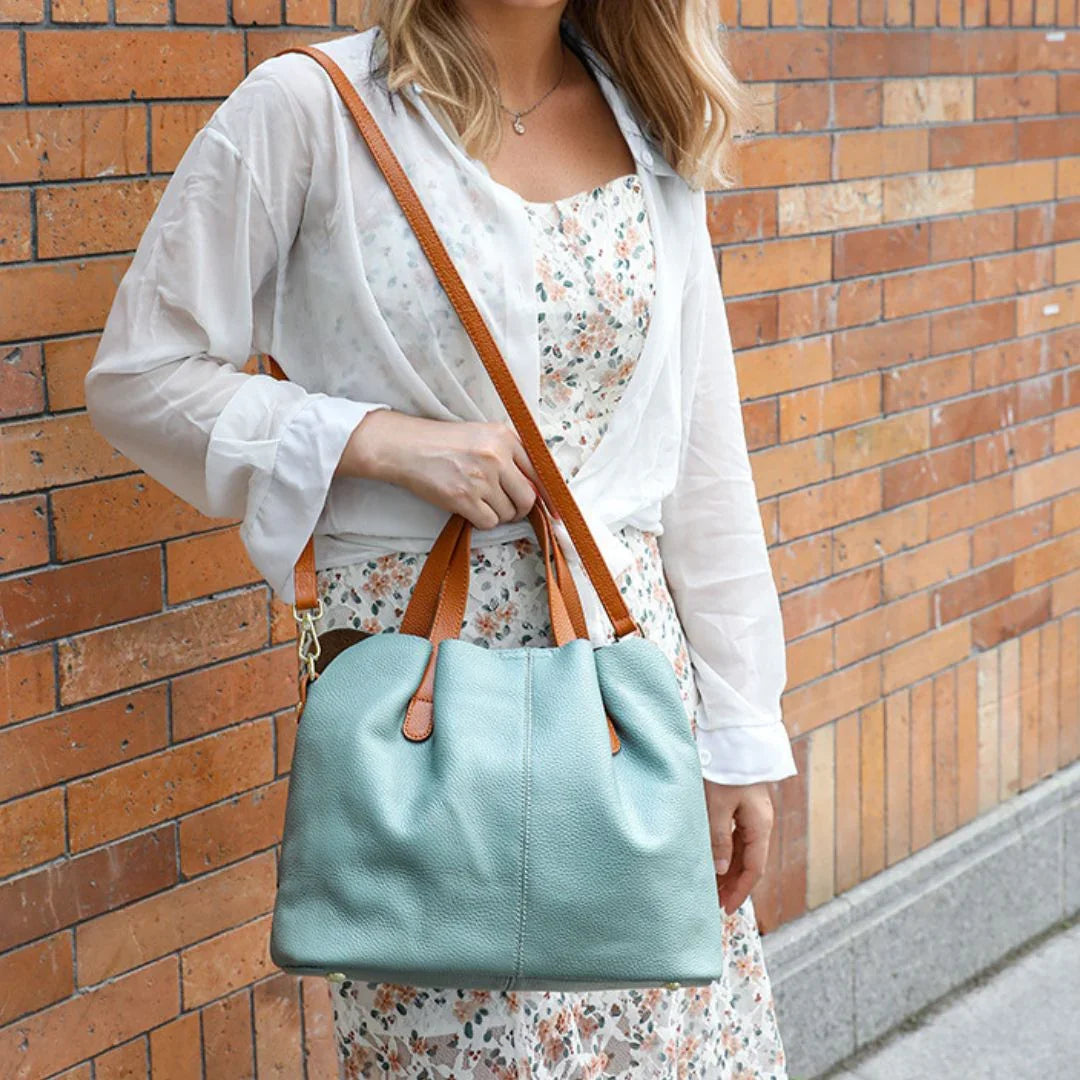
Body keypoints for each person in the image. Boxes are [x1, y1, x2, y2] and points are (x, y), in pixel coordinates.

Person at [85, 1, 799, 1075]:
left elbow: (702, 467)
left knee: (662, 1038)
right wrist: (372, 439)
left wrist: (742, 733)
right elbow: (140, 378)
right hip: (420, 711)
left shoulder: (651, 128)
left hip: (623, 696)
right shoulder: (313, 110)